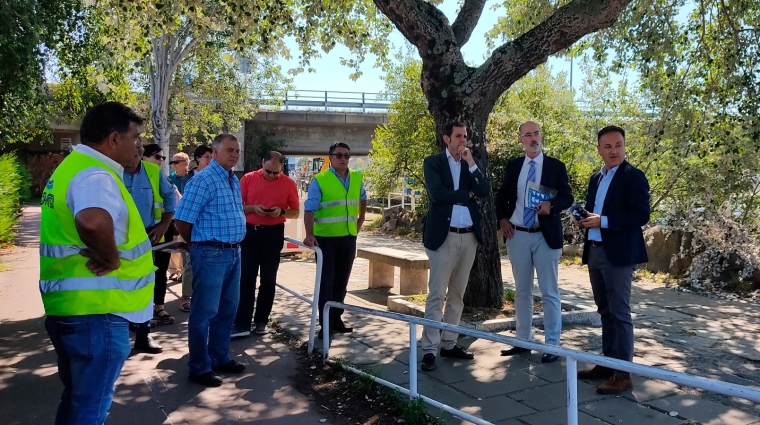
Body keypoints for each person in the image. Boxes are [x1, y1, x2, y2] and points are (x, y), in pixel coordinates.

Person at [39, 101, 154, 424]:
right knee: (90, 409)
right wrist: (111, 257)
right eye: (136, 138)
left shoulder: (72, 167)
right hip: (96, 313)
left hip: (73, 309)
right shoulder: (96, 174)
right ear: (114, 139)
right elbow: (91, 221)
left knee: (77, 401)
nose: (140, 146)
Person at [576, 125, 650, 395]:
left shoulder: (634, 177)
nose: (614, 150)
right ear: (599, 150)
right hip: (595, 250)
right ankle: (608, 364)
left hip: (619, 254)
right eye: (607, 146)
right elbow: (595, 212)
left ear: (624, 145)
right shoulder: (597, 178)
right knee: (604, 311)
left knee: (619, 313)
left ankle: (623, 374)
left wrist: (603, 221)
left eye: (618, 145)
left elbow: (641, 215)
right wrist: (585, 220)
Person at [496, 121, 573, 364]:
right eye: (527, 135)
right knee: (522, 291)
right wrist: (502, 219)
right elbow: (503, 194)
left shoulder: (555, 166)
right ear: (521, 140)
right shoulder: (514, 166)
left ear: (541, 136)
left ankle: (552, 344)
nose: (533, 138)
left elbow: (567, 197)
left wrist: (552, 205)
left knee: (549, 291)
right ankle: (523, 340)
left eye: (536, 133)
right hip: (517, 234)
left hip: (545, 235)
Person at [174, 134, 247, 387]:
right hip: (211, 252)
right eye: (229, 150)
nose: (234, 154)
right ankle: (199, 367)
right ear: (214, 152)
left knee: (227, 310)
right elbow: (182, 220)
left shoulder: (231, 179)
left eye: (237, 150)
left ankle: (219, 357)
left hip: (234, 252)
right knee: (204, 312)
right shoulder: (203, 180)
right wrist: (196, 245)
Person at [419, 122, 490, 372]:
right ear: (446, 138)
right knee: (437, 294)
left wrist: (471, 164)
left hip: (468, 236)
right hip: (444, 236)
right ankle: (429, 348)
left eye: (466, 137)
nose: (463, 141)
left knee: (458, 295)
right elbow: (438, 195)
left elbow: (484, 190)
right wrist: (467, 195)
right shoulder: (434, 162)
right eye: (459, 136)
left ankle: (449, 343)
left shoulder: (471, 164)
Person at [231, 151, 300, 338]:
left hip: (273, 234)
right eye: (268, 171)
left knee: (268, 280)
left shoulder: (288, 183)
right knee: (246, 278)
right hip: (250, 232)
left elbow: (295, 212)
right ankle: (242, 322)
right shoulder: (248, 179)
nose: (271, 176)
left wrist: (282, 211)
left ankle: (261, 321)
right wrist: (253, 208)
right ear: (262, 163)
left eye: (276, 173)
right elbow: (236, 206)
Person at [303, 142, 367, 334]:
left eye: (347, 156)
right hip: (326, 239)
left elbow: (363, 198)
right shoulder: (320, 180)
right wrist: (309, 234)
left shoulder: (356, 177)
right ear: (330, 157)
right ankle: (325, 324)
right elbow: (309, 209)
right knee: (327, 283)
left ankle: (336, 319)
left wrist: (361, 220)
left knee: (341, 282)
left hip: (348, 237)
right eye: (339, 155)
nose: (343, 159)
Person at [123, 142, 180, 354]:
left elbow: (170, 195)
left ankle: (143, 335)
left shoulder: (152, 171)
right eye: (133, 151)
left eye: (139, 152)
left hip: (148, 236)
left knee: (146, 284)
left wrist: (165, 223)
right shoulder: (112, 171)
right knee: (121, 285)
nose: (135, 156)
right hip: (118, 237)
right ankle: (120, 335)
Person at [176, 145, 212, 312]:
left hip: (207, 228)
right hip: (190, 225)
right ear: (198, 158)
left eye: (212, 157)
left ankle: (202, 296)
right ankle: (185, 296)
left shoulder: (216, 176)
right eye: (206, 157)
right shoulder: (189, 178)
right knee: (190, 262)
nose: (210, 160)